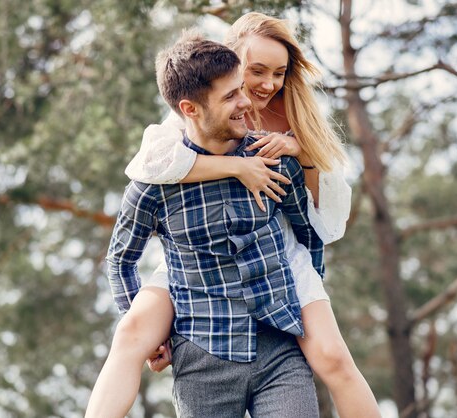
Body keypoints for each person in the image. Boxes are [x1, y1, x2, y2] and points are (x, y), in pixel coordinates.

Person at [125, 12, 381, 418]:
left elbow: (318, 220)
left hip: (275, 246)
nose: (268, 84)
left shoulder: (293, 113)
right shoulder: (201, 105)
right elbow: (153, 167)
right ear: (230, 64)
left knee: (332, 357)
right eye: (256, 70)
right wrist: (235, 166)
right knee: (134, 331)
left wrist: (301, 152)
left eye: (279, 72)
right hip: (200, 251)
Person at [86, 30, 322, 417]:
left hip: (281, 351)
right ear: (190, 109)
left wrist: (307, 309)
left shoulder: (271, 158)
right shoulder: (154, 185)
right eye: (230, 96)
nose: (246, 102)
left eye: (240, 89)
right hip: (202, 359)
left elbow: (308, 234)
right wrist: (157, 339)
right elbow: (120, 261)